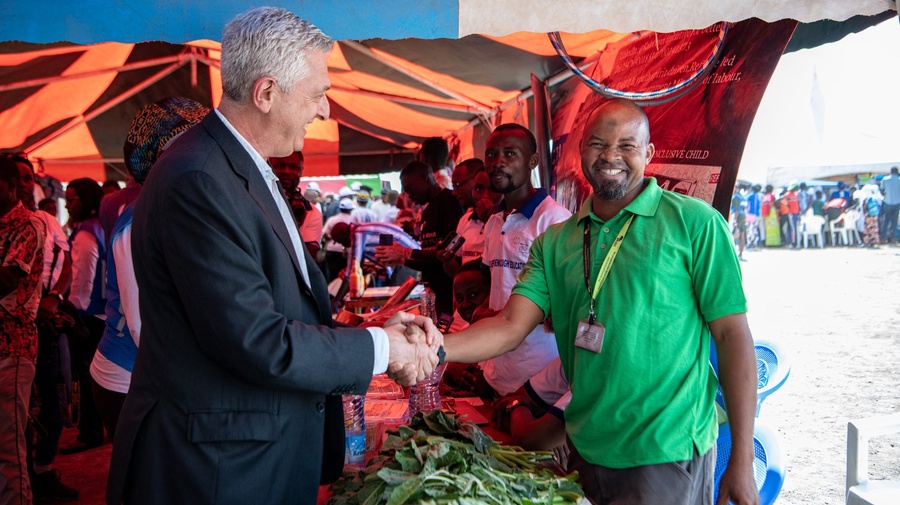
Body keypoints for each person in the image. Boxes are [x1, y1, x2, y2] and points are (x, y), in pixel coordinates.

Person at [105, 8, 439, 505]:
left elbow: (280, 310)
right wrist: (382, 350)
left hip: (246, 456)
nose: (325, 110)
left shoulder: (232, 167)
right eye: (317, 93)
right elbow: (256, 339)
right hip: (216, 471)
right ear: (265, 94)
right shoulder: (197, 178)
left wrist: (380, 335)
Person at [444, 99, 759, 505]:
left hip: (663, 454)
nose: (610, 156)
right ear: (580, 152)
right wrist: (435, 349)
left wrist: (742, 459)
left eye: (627, 145)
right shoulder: (556, 241)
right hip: (584, 450)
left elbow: (733, 336)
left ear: (649, 153)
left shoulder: (695, 224)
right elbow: (509, 325)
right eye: (597, 143)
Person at [91, 97, 209, 454]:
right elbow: (143, 325)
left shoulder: (187, 210)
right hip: (129, 380)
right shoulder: (136, 221)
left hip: (163, 374)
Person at [478, 123, 570, 397]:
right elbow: (496, 285)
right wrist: (482, 312)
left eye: (510, 154)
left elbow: (561, 304)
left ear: (532, 161)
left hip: (538, 378)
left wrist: (500, 317)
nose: (498, 163)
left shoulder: (554, 220)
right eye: (491, 154)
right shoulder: (494, 221)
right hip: (497, 370)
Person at [9, 153, 78, 502]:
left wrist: (53, 298)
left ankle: (42, 471)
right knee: (17, 413)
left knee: (49, 402)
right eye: (15, 178)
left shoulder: (45, 221)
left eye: (26, 178)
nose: (23, 185)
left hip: (41, 325)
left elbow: (67, 263)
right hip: (12, 332)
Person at [0, 156, 46, 505]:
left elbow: (8, 278)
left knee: (9, 449)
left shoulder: (27, 225)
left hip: (11, 349)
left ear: (10, 185)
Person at [375, 160, 463, 317]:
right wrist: (403, 260)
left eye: (409, 188)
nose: (409, 194)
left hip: (450, 294)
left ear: (425, 177)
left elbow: (445, 252)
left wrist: (405, 252)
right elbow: (430, 261)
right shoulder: (428, 210)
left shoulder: (448, 202)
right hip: (434, 294)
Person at [59, 178, 107, 455]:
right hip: (101, 313)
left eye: (72, 199)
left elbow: (83, 280)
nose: (67, 204)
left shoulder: (86, 233)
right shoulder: (100, 227)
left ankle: (89, 432)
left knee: (87, 379)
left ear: (86, 200)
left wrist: (74, 309)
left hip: (89, 315)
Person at [268, 151, 323, 256]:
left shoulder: (311, 213)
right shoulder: (253, 199)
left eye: (293, 167)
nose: (287, 171)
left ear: (301, 171)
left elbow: (307, 258)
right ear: (268, 166)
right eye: (280, 166)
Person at [880, 166, 900, 244]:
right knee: (894, 222)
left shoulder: (885, 179)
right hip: (897, 202)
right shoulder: (899, 180)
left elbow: (882, 191)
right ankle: (893, 239)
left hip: (887, 202)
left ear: (890, 172)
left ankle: (883, 238)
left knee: (886, 221)